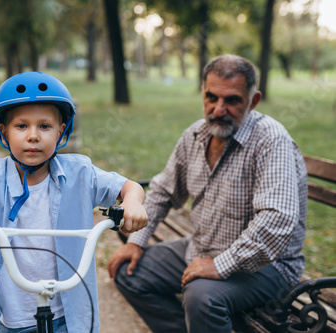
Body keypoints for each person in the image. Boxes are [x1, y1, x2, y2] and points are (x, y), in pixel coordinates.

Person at [0, 72, 148, 333]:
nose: (33, 136)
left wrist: (133, 202)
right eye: (21, 126)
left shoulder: (81, 174)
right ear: (3, 131)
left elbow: (129, 187)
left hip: (68, 317)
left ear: (61, 131)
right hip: (9, 318)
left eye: (44, 126)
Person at [107, 54, 308, 333]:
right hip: (202, 246)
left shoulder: (271, 140)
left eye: (233, 100)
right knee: (128, 272)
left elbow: (277, 221)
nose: (219, 109)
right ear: (203, 92)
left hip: (268, 266)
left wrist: (220, 265)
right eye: (211, 97)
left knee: (202, 296)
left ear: (254, 100)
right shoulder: (195, 136)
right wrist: (136, 242)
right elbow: (163, 191)